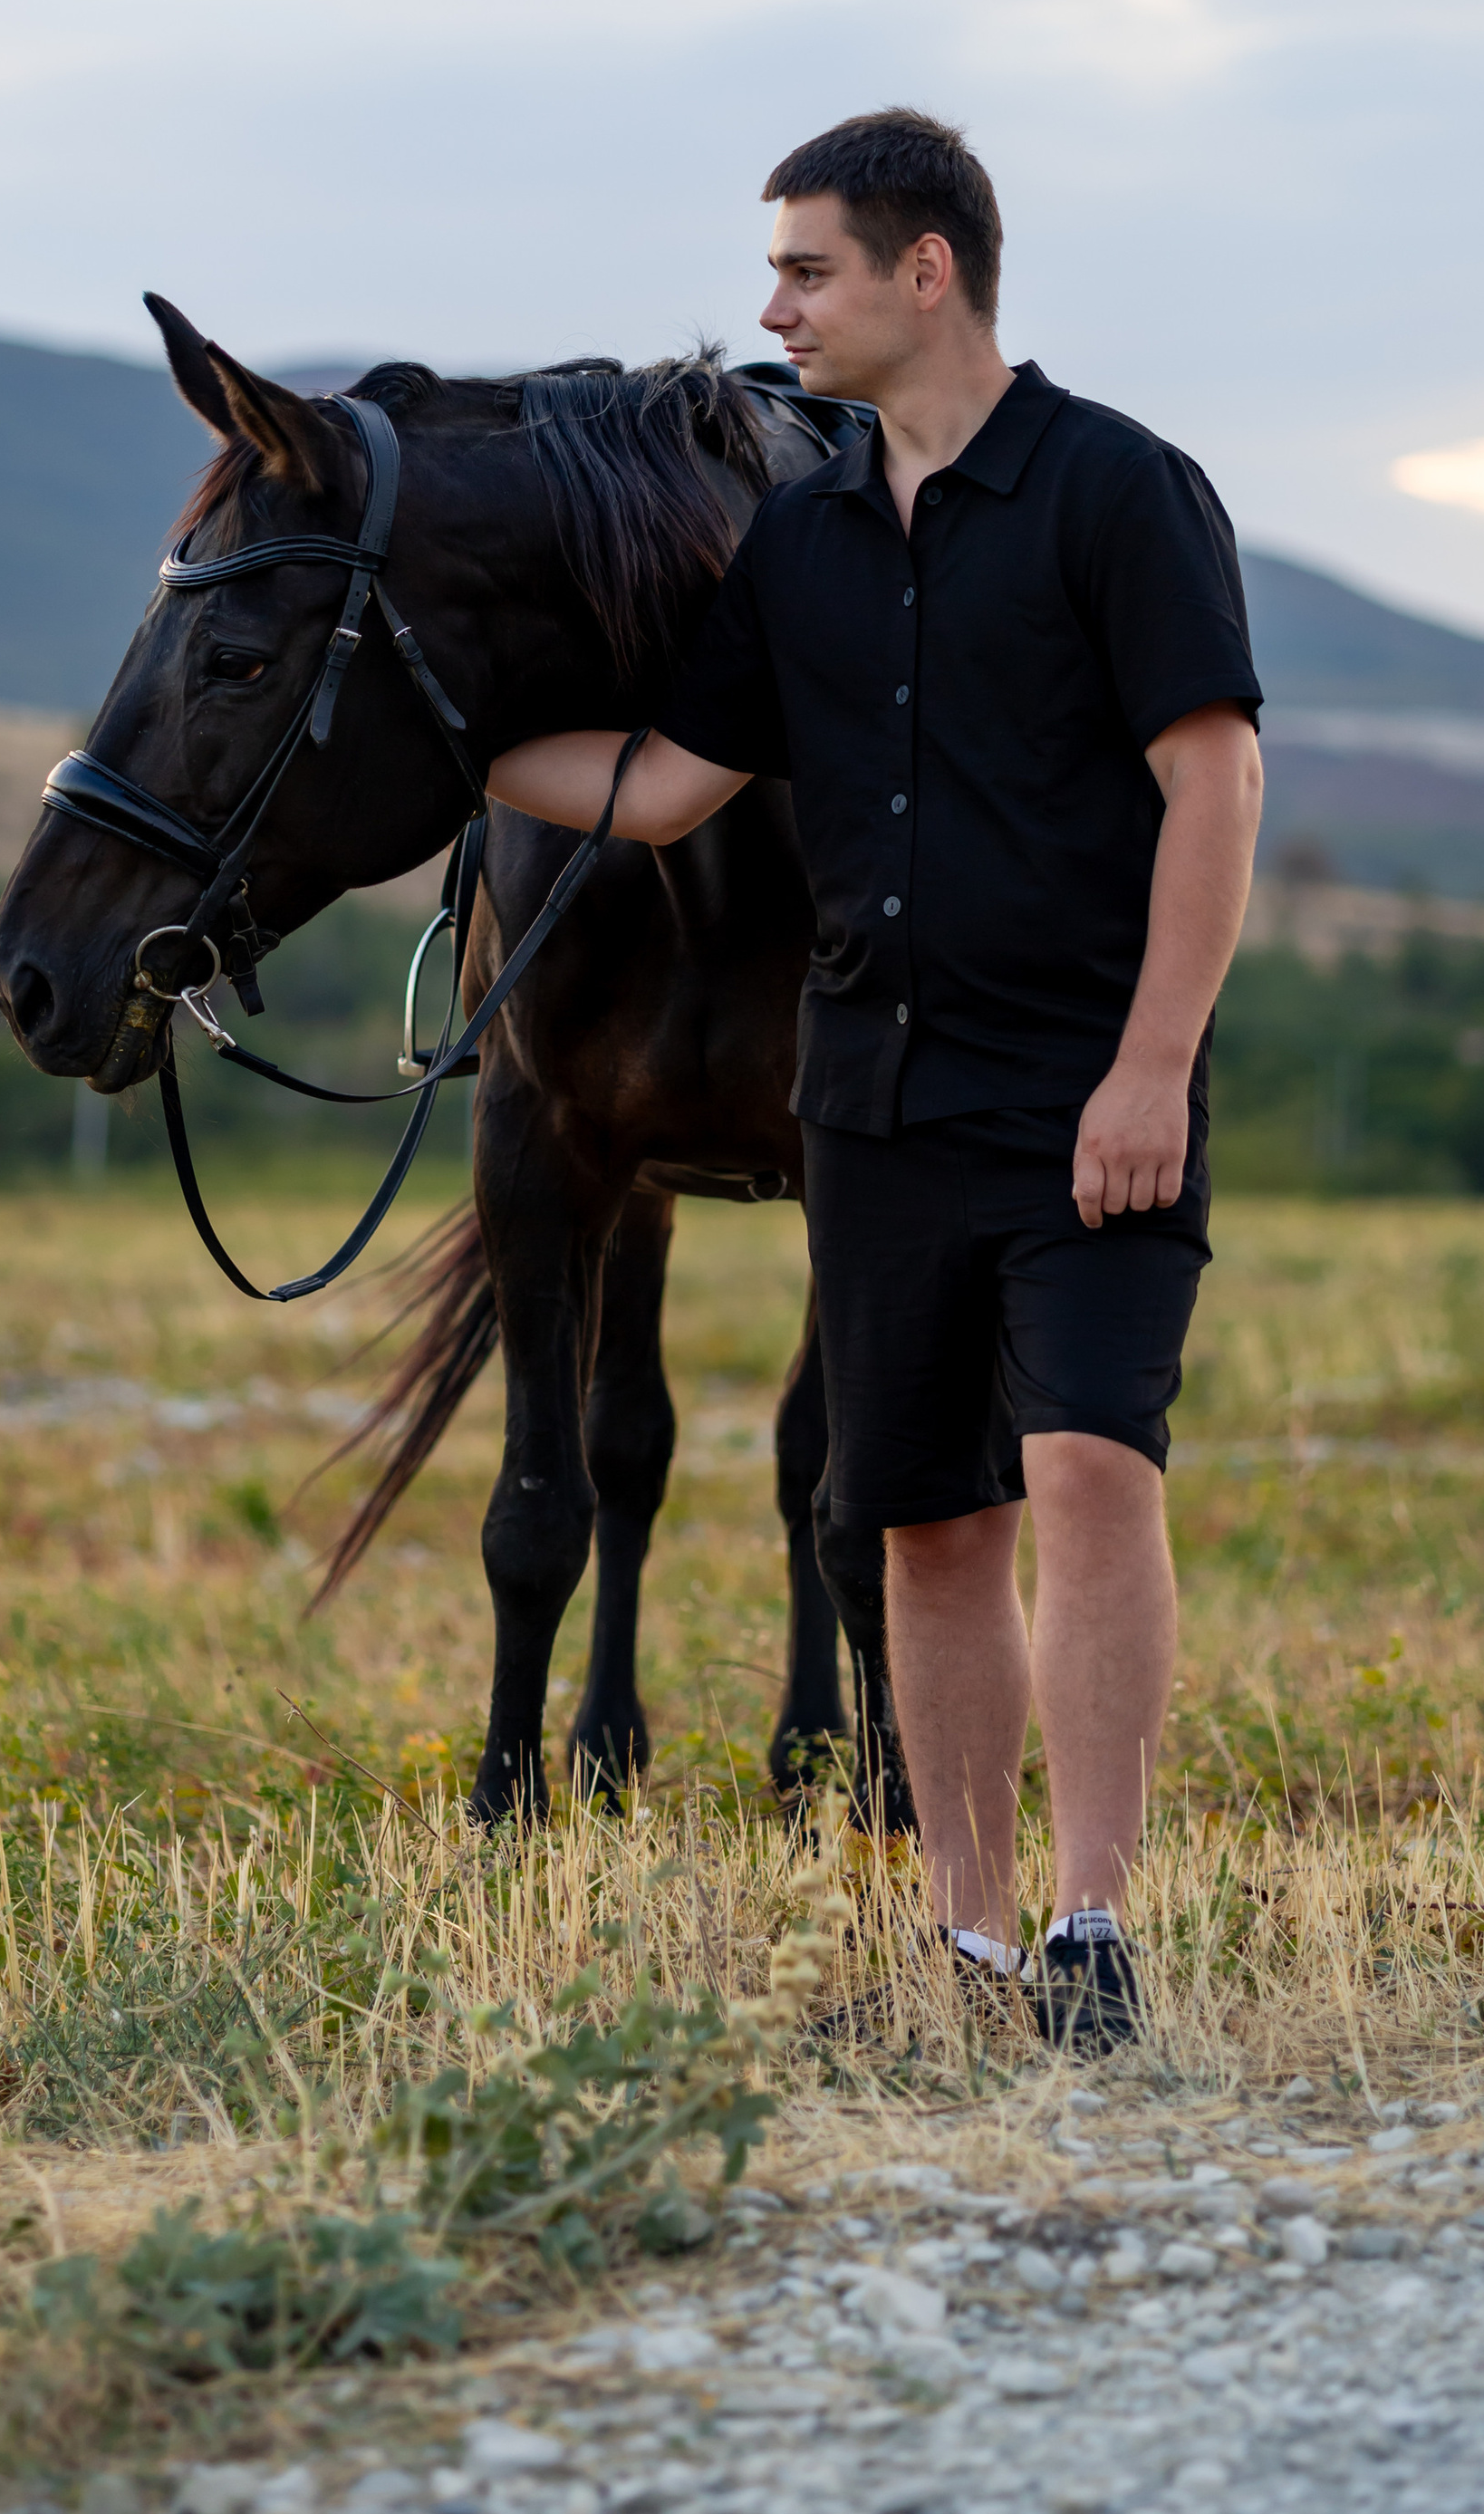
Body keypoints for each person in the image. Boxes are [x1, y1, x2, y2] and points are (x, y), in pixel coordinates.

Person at [487, 110, 1262, 2045]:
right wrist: (447, 756)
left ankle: (1091, 1924)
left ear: (928, 273)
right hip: (873, 1104)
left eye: (807, 271)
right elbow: (666, 790)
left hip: (1088, 1094)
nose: (773, 311)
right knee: (917, 1518)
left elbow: (1213, 781)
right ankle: (973, 1933)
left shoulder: (1117, 493)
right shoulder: (803, 543)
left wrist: (1151, 1068)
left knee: (1086, 1469)